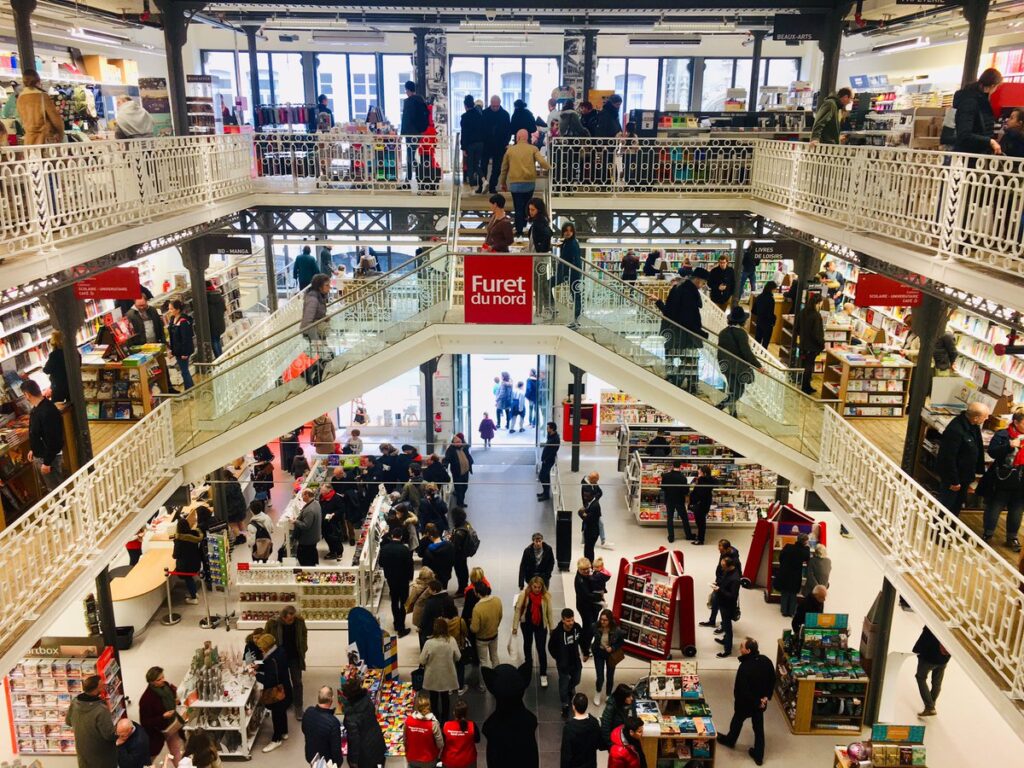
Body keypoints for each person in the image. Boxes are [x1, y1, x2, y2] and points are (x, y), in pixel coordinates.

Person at [717, 637, 776, 766]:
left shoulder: (745, 667)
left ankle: (730, 740)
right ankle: (758, 755)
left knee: (737, 722)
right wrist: (765, 697)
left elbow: (742, 690)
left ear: (748, 650)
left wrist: (755, 701)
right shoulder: (766, 661)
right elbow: (772, 679)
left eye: (742, 646)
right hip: (760, 703)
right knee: (759, 729)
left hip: (745, 704)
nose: (740, 648)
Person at [656, 268, 710, 393]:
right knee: (691, 360)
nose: (703, 286)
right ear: (697, 280)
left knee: (686, 359)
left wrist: (659, 303)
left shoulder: (678, 288)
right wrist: (700, 333)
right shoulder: (689, 293)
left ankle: (685, 384)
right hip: (685, 334)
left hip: (675, 332)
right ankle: (681, 384)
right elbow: (689, 318)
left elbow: (669, 312)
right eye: (703, 283)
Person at [935, 401, 990, 518]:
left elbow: (977, 447)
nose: (987, 418)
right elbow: (948, 457)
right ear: (975, 418)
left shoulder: (973, 426)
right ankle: (939, 529)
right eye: (985, 416)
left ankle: (950, 529)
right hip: (955, 477)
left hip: (965, 476)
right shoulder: (956, 430)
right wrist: (953, 480)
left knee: (957, 505)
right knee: (947, 504)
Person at [980, 409, 1024, 550]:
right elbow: (992, 452)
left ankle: (1012, 537)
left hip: (1021, 479)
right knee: (995, 505)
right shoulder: (1003, 434)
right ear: (1016, 422)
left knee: (1017, 508)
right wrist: (1009, 446)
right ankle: (988, 534)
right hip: (1003, 476)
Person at [499, 129, 550, 237]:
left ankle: (519, 231)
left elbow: (504, 168)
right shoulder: (533, 149)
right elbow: (542, 162)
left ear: (517, 138)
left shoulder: (510, 151)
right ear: (527, 138)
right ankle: (527, 225)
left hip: (515, 184)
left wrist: (503, 183)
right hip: (529, 183)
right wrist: (551, 167)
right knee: (527, 206)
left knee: (518, 207)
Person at [717, 306, 763, 416]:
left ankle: (733, 413)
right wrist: (758, 365)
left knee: (733, 390)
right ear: (742, 321)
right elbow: (746, 352)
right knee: (738, 392)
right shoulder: (741, 333)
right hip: (738, 367)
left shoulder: (723, 332)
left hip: (726, 366)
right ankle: (720, 407)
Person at [264, 605, 308, 720]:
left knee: (297, 682)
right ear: (283, 617)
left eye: (293, 618)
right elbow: (266, 637)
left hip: (295, 656)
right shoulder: (273, 623)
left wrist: (303, 647)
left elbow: (304, 633)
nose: (291, 621)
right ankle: (287, 701)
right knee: (283, 681)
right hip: (280, 658)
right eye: (289, 619)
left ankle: (298, 706)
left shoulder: (299, 622)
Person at [64, 673, 117, 768]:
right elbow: (109, 735)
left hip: (83, 752)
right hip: (101, 754)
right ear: (97, 688)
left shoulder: (75, 702)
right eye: (102, 684)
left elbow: (68, 721)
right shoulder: (101, 709)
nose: (105, 685)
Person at [22, 378, 66, 492]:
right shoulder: (38, 409)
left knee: (56, 489)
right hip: (43, 455)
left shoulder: (46, 412)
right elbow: (39, 433)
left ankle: (63, 508)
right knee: (52, 487)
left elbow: (54, 440)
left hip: (49, 459)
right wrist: (34, 449)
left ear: (27, 395)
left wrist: (46, 463)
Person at [948, 68, 1004, 155]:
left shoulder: (976, 99)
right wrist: (990, 141)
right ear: (993, 86)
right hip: (968, 155)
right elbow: (964, 134)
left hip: (973, 155)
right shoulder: (971, 102)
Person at [513, 575, 555, 688]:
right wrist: (515, 626)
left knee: (541, 649)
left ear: (542, 587)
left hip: (541, 625)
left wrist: (551, 628)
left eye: (539, 587)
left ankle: (543, 673)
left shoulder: (545, 596)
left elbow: (549, 613)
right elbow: (518, 610)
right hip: (527, 624)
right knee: (527, 644)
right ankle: (528, 666)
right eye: (535, 587)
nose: (537, 589)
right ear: (531, 586)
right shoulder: (524, 594)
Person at [419, 618, 461, 726]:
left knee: (433, 696)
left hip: (433, 675)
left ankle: (435, 717)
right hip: (447, 674)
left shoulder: (429, 642)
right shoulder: (451, 640)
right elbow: (458, 657)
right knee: (445, 696)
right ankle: (445, 718)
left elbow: (422, 660)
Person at [139, 667, 183, 764]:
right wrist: (162, 717)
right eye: (159, 679)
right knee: (150, 757)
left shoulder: (166, 686)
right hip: (158, 731)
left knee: (176, 751)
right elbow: (145, 722)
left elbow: (172, 696)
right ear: (151, 682)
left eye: (163, 677)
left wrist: (176, 701)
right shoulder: (146, 699)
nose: (163, 680)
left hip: (172, 726)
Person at [341, 677, 387, 768]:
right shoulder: (367, 699)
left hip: (364, 754)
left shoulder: (351, 716)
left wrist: (353, 761)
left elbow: (354, 741)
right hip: (377, 742)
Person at [549, 608, 584, 719]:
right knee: (563, 685)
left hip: (576, 662)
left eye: (572, 620)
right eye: (568, 621)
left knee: (576, 679)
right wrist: (559, 658)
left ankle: (570, 688)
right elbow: (551, 647)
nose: (571, 623)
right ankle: (565, 705)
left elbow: (582, 639)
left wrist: (585, 651)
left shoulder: (577, 628)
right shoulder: (556, 633)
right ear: (563, 620)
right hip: (563, 665)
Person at [379, 526, 414, 636]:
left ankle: (396, 622)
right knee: (403, 602)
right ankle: (401, 627)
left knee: (394, 600)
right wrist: (410, 577)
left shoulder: (384, 549)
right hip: (403, 580)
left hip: (391, 579)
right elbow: (410, 565)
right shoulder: (405, 549)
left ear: (392, 536)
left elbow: (381, 564)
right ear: (401, 537)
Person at [700, 539, 741, 630]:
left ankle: (724, 625)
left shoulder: (733, 560)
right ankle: (712, 620)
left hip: (726, 585)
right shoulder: (724, 553)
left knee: (724, 606)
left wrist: (721, 584)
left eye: (721, 549)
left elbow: (733, 574)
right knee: (715, 601)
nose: (719, 551)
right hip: (720, 582)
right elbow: (721, 569)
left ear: (728, 549)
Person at [561, 692, 607, 768]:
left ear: (573, 707)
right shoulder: (594, 722)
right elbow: (601, 744)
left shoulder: (569, 728)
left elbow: (566, 755)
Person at [17, 69, 63, 144]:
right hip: (43, 140)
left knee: (31, 155)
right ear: (38, 80)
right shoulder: (43, 96)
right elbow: (56, 119)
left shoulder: (20, 98)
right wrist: (61, 134)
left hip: (29, 141)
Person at [912, 626, 951, 716]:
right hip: (943, 659)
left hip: (929, 659)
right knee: (937, 683)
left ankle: (930, 707)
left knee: (920, 677)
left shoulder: (931, 627)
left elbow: (923, 641)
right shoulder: (949, 628)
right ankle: (931, 704)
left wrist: (916, 650)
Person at [591, 609, 625, 706]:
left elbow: (621, 642)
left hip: (611, 655)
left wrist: (613, 648)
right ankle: (598, 692)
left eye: (605, 620)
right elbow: (589, 636)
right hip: (598, 653)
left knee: (610, 676)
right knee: (600, 676)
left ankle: (608, 694)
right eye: (601, 619)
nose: (603, 622)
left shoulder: (616, 630)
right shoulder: (595, 626)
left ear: (610, 620)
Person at [482, 95, 512, 193]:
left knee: (497, 168)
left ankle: (492, 186)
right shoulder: (484, 113)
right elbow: (481, 129)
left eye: (497, 106)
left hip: (500, 145)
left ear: (500, 104)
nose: (495, 108)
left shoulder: (505, 114)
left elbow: (508, 130)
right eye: (493, 106)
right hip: (486, 144)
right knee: (483, 165)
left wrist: (506, 142)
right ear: (490, 103)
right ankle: (482, 184)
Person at [470, 581, 502, 672]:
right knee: (495, 657)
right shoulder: (497, 600)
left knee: (483, 662)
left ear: (478, 593)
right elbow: (500, 616)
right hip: (494, 634)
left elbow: (475, 628)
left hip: (482, 639)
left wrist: (471, 624)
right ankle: (497, 678)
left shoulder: (477, 608)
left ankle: (484, 685)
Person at [172, 508, 203, 604]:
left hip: (185, 565)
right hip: (195, 562)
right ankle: (193, 593)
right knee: (190, 579)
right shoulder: (194, 534)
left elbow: (175, 555)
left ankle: (194, 598)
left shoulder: (180, 540)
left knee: (188, 579)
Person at [401, 81, 430, 182]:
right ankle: (414, 177)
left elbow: (406, 119)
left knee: (410, 156)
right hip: (419, 133)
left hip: (410, 133)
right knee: (413, 155)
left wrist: (402, 132)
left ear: (408, 90)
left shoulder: (409, 102)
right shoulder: (421, 100)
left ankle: (415, 177)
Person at [796, 293, 825, 395]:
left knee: (804, 365)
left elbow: (797, 327)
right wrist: (822, 344)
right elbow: (817, 333)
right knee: (809, 366)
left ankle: (804, 385)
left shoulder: (803, 312)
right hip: (812, 346)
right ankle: (806, 387)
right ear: (818, 303)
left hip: (803, 343)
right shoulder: (816, 316)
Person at [776, 532, 810, 617]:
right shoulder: (804, 551)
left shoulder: (788, 547)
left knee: (785, 592)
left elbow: (780, 558)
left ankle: (784, 611)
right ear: (805, 542)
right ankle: (791, 612)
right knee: (793, 593)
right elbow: (807, 558)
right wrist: (806, 547)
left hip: (785, 573)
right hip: (795, 575)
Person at [165, 299, 195, 390]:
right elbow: (172, 335)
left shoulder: (183, 321)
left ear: (178, 310)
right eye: (169, 309)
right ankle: (191, 388)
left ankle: (189, 390)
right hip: (177, 350)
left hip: (183, 351)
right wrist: (171, 350)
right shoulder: (172, 319)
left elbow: (186, 338)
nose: (169, 311)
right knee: (184, 370)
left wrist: (185, 353)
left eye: (171, 309)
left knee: (184, 371)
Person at [714, 555, 740, 658]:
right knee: (725, 624)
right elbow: (723, 582)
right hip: (723, 603)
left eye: (723, 566)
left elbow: (733, 596)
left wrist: (719, 590)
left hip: (728, 606)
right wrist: (717, 584)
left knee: (728, 628)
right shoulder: (728, 572)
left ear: (729, 566)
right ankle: (725, 640)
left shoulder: (735, 579)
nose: (722, 568)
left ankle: (727, 650)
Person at [574, 558, 600, 662]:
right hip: (585, 607)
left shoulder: (587, 575)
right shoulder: (579, 581)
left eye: (588, 569)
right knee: (590, 628)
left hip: (592, 606)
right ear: (579, 569)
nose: (586, 571)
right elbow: (587, 596)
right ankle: (585, 649)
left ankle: (584, 644)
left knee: (589, 627)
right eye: (583, 569)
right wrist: (599, 596)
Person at [441, 699, 480, 768]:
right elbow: (477, 740)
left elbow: (441, 742)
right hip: (468, 761)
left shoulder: (446, 726)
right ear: (466, 713)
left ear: (454, 712)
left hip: (449, 761)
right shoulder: (472, 725)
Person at [556, 222, 583, 323]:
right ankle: (576, 318)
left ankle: (577, 318)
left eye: (570, 230)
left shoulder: (572, 243)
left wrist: (574, 274)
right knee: (576, 295)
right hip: (565, 272)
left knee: (576, 295)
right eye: (566, 230)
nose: (568, 233)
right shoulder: (567, 242)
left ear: (573, 232)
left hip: (571, 273)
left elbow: (575, 259)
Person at [420, 523, 456, 590]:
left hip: (434, 576)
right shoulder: (450, 546)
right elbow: (453, 561)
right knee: (444, 590)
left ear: (430, 536)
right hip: (446, 574)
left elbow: (425, 565)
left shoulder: (429, 551)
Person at [662, 459, 692, 543]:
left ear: (672, 466)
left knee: (670, 518)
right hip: (679, 500)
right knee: (684, 518)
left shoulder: (666, 476)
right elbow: (685, 491)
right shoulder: (683, 477)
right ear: (680, 467)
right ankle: (688, 535)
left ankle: (671, 537)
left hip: (669, 499)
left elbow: (663, 488)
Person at [292, 488, 323, 567]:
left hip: (307, 539)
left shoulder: (309, 510)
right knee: (312, 552)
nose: (302, 498)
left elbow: (305, 526)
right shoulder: (316, 503)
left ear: (307, 495)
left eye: (303, 495)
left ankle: (308, 570)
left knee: (304, 557)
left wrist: (295, 521)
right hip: (314, 536)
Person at [461, 94, 485, 192]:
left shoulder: (465, 117)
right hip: (480, 143)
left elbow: (464, 134)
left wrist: (463, 147)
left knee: (470, 166)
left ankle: (472, 187)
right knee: (477, 164)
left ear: (465, 106)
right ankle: (483, 180)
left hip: (470, 145)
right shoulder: (480, 115)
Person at [449, 507, 477, 593]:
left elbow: (455, 547)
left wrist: (450, 540)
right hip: (464, 553)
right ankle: (464, 586)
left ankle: (462, 590)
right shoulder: (466, 524)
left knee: (460, 572)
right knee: (464, 569)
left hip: (458, 556)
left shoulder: (459, 532)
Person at [41, 330, 72, 403]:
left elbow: (46, 370)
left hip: (59, 386)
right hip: (72, 384)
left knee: (56, 405)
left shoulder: (54, 355)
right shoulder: (72, 351)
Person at [689, 464, 715, 545]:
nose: (698, 472)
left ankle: (700, 540)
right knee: (701, 522)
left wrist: (692, 501)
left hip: (700, 504)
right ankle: (700, 537)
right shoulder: (711, 480)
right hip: (705, 503)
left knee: (700, 522)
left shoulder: (702, 481)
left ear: (704, 473)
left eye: (700, 472)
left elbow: (698, 493)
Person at [203, 280, 228, 358]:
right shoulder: (219, 295)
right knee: (217, 340)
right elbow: (224, 309)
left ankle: (218, 358)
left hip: (211, 324)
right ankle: (221, 356)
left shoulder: (205, 299)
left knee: (214, 341)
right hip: (220, 323)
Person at [538, 421, 561, 500]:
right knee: (546, 477)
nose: (547, 429)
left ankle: (546, 494)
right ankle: (545, 493)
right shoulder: (550, 435)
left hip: (548, 461)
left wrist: (546, 459)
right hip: (545, 460)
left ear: (552, 429)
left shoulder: (555, 439)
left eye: (548, 427)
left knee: (542, 477)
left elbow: (553, 451)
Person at [578, 487, 601, 563]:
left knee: (589, 551)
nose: (585, 498)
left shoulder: (595, 506)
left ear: (592, 496)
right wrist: (583, 514)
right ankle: (587, 564)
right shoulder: (591, 504)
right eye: (584, 496)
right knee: (587, 550)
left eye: (587, 496)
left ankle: (589, 565)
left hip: (592, 533)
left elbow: (588, 518)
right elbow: (584, 514)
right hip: (589, 531)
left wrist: (583, 514)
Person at [752, 281, 778, 348]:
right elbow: (770, 313)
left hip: (759, 322)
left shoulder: (759, 297)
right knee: (765, 343)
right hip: (767, 324)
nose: (775, 291)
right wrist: (774, 319)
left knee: (757, 342)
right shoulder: (771, 299)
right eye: (775, 289)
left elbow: (754, 311)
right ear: (771, 289)